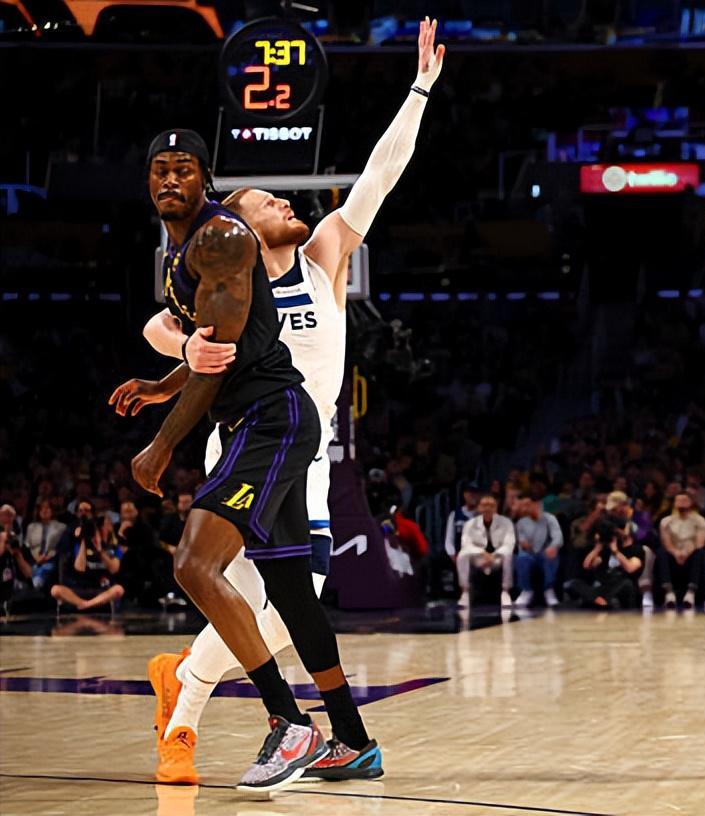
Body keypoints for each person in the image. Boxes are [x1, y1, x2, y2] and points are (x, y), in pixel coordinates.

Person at [109, 19, 445, 787]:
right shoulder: (227, 266)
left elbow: (379, 176)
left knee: (291, 597)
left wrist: (420, 90)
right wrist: (177, 364)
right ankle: (193, 722)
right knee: (244, 587)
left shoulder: (323, 255)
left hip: (301, 443)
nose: (285, 202)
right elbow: (169, 330)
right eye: (267, 200)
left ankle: (280, 718)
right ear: (241, 222)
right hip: (247, 435)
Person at [49, 518, 126, 611]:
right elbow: (80, 568)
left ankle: (86, 605)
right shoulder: (79, 546)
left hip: (101, 590)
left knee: (118, 590)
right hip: (80, 590)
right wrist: (84, 541)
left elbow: (114, 569)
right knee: (55, 590)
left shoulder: (114, 548)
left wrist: (99, 551)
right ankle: (84, 604)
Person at [457, 494, 516, 608]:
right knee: (462, 555)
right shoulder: (470, 524)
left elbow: (509, 544)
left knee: (508, 554)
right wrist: (482, 553)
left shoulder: (506, 522)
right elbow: (466, 544)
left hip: (497, 559)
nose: (488, 508)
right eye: (484, 505)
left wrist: (494, 555)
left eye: (491, 505)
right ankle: (465, 592)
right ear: (478, 508)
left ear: (496, 508)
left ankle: (505, 591)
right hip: (479, 559)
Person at [657, 492, 705, 609]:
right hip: (674, 556)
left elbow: (700, 542)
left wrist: (686, 553)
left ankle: (691, 593)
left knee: (700, 552)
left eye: (684, 500)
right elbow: (666, 542)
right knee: (661, 552)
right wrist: (675, 552)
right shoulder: (666, 521)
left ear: (691, 503)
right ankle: (669, 593)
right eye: (678, 500)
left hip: (691, 555)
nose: (681, 503)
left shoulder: (700, 520)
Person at [513, 495, 563, 608]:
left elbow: (558, 537)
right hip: (530, 553)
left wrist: (553, 546)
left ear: (537, 505)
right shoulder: (521, 523)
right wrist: (525, 544)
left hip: (547, 551)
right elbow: (522, 542)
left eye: (528, 505)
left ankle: (548, 590)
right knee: (522, 558)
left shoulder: (550, 519)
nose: (525, 508)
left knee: (551, 555)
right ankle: (526, 590)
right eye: (523, 506)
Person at [23, 499, 65, 591]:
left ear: (52, 510)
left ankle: (35, 584)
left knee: (45, 568)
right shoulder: (31, 527)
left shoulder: (61, 527)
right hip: (34, 560)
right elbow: (27, 546)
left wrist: (47, 557)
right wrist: (36, 558)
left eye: (47, 508)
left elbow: (61, 546)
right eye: (41, 508)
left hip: (51, 560)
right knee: (31, 568)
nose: (44, 510)